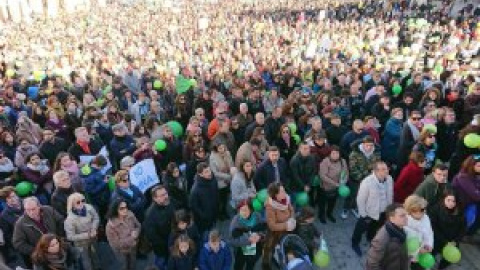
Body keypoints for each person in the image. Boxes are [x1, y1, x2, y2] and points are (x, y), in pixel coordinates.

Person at [352, 161, 393, 256]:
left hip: (382, 212)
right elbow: (360, 199)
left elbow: (390, 194)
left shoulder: (390, 179)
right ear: (376, 171)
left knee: (374, 228)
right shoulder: (367, 182)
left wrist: (389, 209)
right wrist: (363, 214)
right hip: (368, 213)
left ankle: (370, 238)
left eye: (386, 168)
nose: (386, 171)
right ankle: (355, 243)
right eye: (383, 169)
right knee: (360, 229)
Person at [13, 197, 65, 268]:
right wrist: (37, 250)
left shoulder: (48, 210)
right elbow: (18, 243)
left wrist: (59, 239)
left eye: (33, 209)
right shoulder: (20, 224)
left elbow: (60, 221)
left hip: (58, 247)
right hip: (42, 257)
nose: (31, 212)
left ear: (39, 206)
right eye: (28, 210)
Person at [428, 189, 466, 270]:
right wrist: (445, 241)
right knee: (431, 254)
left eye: (454, 201)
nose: (451, 203)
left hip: (453, 241)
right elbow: (433, 227)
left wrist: (455, 241)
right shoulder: (436, 209)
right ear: (443, 199)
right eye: (448, 200)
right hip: (437, 239)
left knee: (448, 259)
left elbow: (463, 229)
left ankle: (441, 267)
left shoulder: (460, 212)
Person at [345, 136, 381, 218]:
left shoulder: (376, 152)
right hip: (356, 179)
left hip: (368, 179)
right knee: (352, 194)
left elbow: (377, 165)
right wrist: (362, 178)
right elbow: (353, 168)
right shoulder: (355, 153)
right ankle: (346, 208)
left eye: (371, 145)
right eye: (367, 145)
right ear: (363, 144)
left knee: (361, 195)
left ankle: (354, 207)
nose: (369, 147)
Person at [366, 203, 409, 270]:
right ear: (392, 219)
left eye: (406, 215)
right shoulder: (382, 238)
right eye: (402, 216)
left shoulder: (400, 230)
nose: (406, 218)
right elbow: (372, 263)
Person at [262, 182, 296, 269]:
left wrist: (292, 219)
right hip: (276, 231)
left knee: (290, 247)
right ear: (275, 195)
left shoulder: (286, 199)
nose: (285, 193)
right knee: (269, 249)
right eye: (282, 192)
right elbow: (272, 226)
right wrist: (286, 225)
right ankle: (266, 265)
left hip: (288, 227)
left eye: (284, 190)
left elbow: (291, 210)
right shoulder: (270, 207)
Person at [64, 193, 100, 270]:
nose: (81, 203)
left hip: (93, 239)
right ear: (72, 205)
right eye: (78, 202)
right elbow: (70, 236)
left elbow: (96, 218)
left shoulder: (89, 208)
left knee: (96, 258)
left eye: (83, 200)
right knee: (86, 263)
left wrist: (94, 228)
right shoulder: (69, 220)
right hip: (81, 244)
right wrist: (87, 235)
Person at [143, 185, 176, 270]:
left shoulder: (169, 202)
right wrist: (167, 245)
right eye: (162, 195)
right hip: (162, 249)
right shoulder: (150, 215)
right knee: (161, 264)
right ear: (155, 198)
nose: (166, 197)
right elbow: (153, 237)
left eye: (165, 193)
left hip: (173, 241)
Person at [228, 199, 266, 270]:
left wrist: (260, 236)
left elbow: (264, 229)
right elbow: (231, 240)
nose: (243, 213)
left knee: (250, 264)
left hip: (255, 249)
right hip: (240, 250)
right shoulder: (236, 220)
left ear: (251, 210)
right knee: (238, 265)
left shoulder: (257, 216)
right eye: (241, 210)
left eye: (245, 210)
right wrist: (248, 239)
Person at [106, 199, 141, 270]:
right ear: (115, 210)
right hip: (121, 251)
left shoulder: (130, 214)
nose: (125, 210)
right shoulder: (110, 226)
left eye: (126, 207)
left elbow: (138, 225)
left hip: (133, 247)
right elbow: (116, 244)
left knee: (133, 264)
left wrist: (137, 232)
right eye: (121, 208)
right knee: (124, 266)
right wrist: (132, 238)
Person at [403, 195, 434, 270]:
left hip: (425, 253)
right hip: (412, 258)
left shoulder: (426, 218)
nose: (423, 212)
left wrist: (429, 245)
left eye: (423, 209)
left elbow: (430, 233)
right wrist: (418, 251)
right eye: (420, 210)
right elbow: (404, 244)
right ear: (410, 210)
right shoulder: (404, 223)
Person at [319, 146, 348, 223]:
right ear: (330, 154)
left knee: (332, 203)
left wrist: (344, 181)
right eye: (333, 153)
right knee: (322, 203)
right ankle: (321, 216)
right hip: (325, 187)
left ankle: (329, 214)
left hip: (337, 187)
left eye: (337, 153)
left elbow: (346, 172)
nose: (335, 155)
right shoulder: (325, 162)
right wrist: (335, 184)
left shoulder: (343, 161)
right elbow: (322, 176)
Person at [452, 155, 480, 234]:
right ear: (471, 165)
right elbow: (476, 195)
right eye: (478, 166)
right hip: (461, 205)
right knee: (466, 222)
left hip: (469, 203)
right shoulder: (463, 177)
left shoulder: (475, 175)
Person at [189, 163, 219, 236]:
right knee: (206, 235)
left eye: (209, 170)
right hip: (204, 221)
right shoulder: (195, 190)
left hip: (214, 213)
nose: (209, 173)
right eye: (206, 172)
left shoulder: (212, 179)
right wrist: (205, 216)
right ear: (200, 174)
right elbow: (194, 207)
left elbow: (216, 192)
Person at [209, 142, 235, 220]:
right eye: (220, 148)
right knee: (221, 199)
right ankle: (221, 214)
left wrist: (231, 172)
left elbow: (231, 164)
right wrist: (227, 176)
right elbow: (215, 173)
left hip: (229, 178)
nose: (222, 149)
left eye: (223, 147)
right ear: (216, 149)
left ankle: (224, 211)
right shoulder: (212, 157)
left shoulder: (227, 153)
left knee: (226, 197)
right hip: (220, 181)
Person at [0, 186, 22, 263]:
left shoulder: (27, 203)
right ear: (5, 200)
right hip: (23, 243)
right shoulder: (4, 215)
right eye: (9, 198)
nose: (13, 199)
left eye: (14, 196)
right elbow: (8, 235)